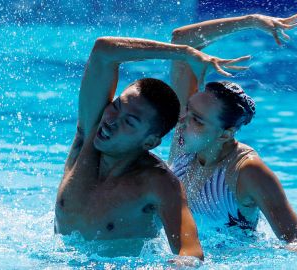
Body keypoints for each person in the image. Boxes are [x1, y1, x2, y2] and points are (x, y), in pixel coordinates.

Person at [54, 36, 245, 259]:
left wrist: (181, 264)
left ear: (150, 142)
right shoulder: (88, 134)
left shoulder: (158, 183)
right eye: (116, 106)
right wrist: (183, 52)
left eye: (129, 122)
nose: (111, 120)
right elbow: (103, 50)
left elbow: (191, 252)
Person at [167, 7, 297, 245]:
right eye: (188, 110)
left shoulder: (247, 172)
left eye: (197, 119)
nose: (181, 121)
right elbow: (181, 41)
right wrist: (250, 21)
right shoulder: (188, 138)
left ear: (225, 135)